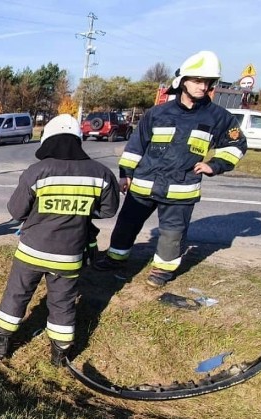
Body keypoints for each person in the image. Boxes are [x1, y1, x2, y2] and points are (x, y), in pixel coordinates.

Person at [94, 51, 248, 287]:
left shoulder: (219, 117)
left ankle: (162, 272)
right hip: (143, 184)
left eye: (207, 82)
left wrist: (214, 165)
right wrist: (126, 175)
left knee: (172, 234)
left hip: (181, 189)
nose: (203, 87)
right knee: (126, 225)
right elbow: (136, 146)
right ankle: (116, 258)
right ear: (183, 81)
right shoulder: (157, 113)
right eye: (197, 80)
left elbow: (236, 144)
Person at [0, 114, 119, 366]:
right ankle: (60, 355)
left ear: (47, 140)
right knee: (63, 303)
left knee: (16, 295)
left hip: (31, 252)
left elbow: (16, 211)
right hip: (69, 256)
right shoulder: (100, 173)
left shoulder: (37, 171)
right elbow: (107, 210)